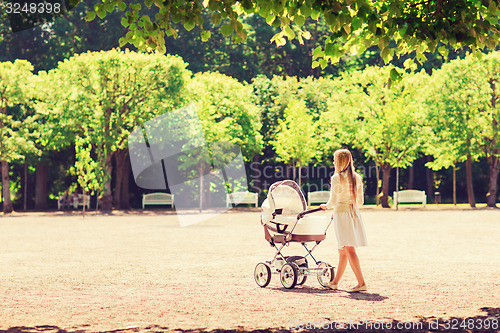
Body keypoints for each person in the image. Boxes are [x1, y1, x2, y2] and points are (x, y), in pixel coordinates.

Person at [320, 148, 368, 292]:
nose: (333, 161)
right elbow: (360, 201)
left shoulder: (336, 178)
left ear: (339, 161)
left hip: (342, 215)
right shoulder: (356, 177)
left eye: (334, 159)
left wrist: (326, 206)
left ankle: (361, 283)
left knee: (349, 248)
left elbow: (333, 200)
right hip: (353, 214)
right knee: (342, 250)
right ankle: (335, 282)